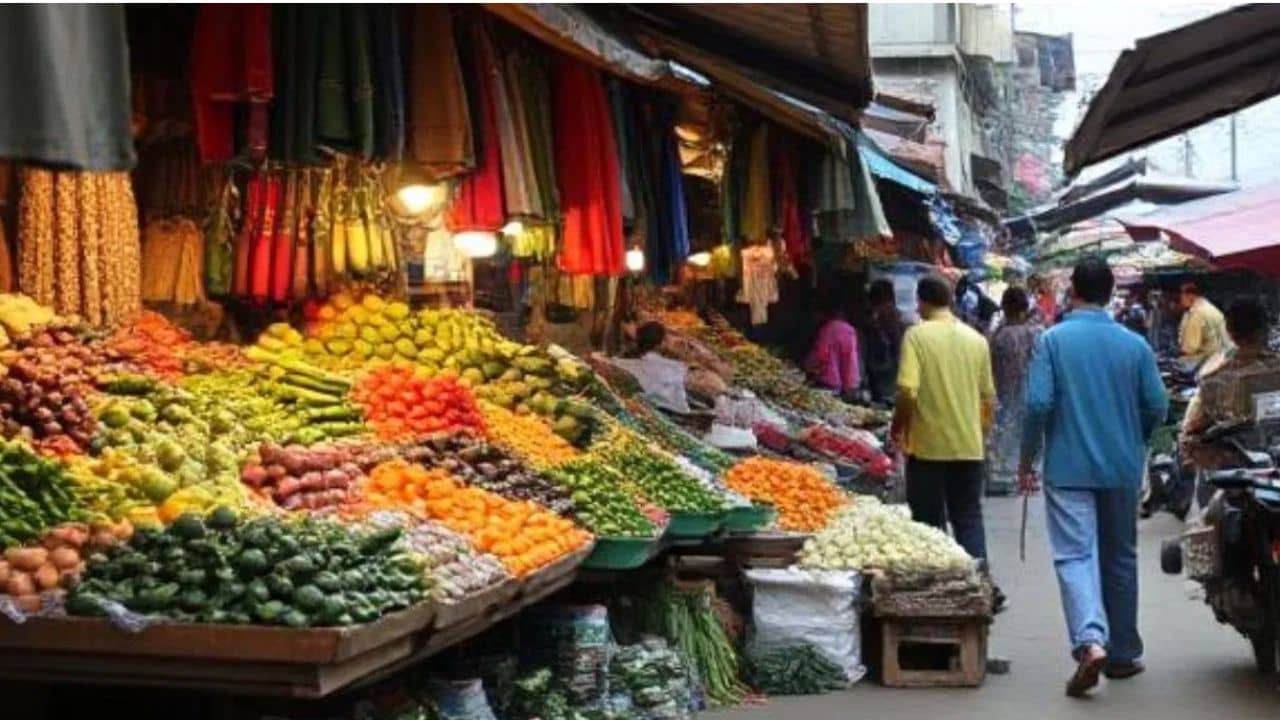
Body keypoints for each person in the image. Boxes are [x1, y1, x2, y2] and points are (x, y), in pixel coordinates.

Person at [1019, 257, 1168, 698]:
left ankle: (1089, 641)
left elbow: (1038, 404)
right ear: (1108, 294)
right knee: (1120, 557)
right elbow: (1157, 405)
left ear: (1074, 293)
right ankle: (1122, 653)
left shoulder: (1054, 341)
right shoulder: (1134, 345)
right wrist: (1134, 440)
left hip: (1067, 468)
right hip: (1121, 467)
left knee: (1074, 555)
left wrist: (1028, 458)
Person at [890, 276, 997, 582]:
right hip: (968, 446)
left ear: (922, 302)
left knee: (928, 522)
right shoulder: (976, 340)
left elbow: (908, 391)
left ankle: (938, 588)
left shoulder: (917, 336)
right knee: (968, 518)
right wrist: (981, 434)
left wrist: (899, 427)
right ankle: (980, 584)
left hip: (927, 448)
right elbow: (988, 398)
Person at [1180, 298, 1280, 469]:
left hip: (1232, 471)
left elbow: (1191, 431)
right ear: (1265, 329)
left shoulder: (1212, 378)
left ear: (1229, 330)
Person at [986, 288, 1041, 496]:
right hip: (1029, 394)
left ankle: (1002, 478)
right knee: (1023, 437)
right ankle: (1024, 477)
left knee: (1002, 436)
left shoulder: (998, 335)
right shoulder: (1036, 333)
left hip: (1002, 393)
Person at [804, 296, 860, 398]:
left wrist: (808, 367)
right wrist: (850, 385)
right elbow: (851, 359)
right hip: (844, 385)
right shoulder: (850, 330)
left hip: (826, 382)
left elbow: (820, 355)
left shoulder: (827, 329)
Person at [864, 279, 905, 404]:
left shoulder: (878, 313)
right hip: (889, 361)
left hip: (880, 361)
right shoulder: (893, 312)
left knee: (882, 395)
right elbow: (897, 339)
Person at [1178, 281, 1229, 368]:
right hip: (1218, 360)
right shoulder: (1212, 309)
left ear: (1190, 296)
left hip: (1201, 364)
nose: (1180, 301)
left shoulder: (1196, 314)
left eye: (1181, 297)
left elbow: (1190, 348)